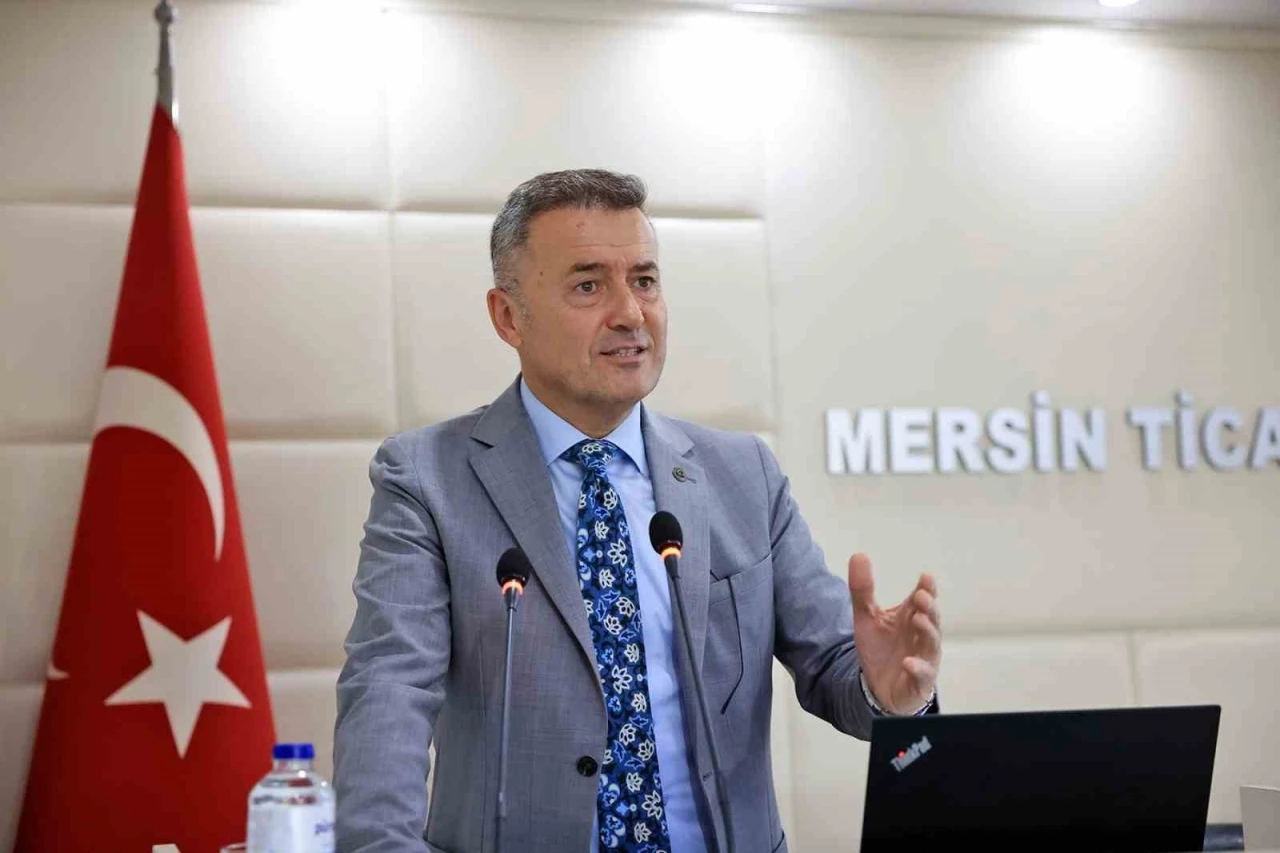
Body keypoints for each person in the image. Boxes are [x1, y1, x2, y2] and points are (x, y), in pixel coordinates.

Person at [334, 169, 942, 853]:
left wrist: (890, 693)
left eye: (645, 281)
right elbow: (387, 696)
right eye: (588, 285)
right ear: (508, 316)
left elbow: (835, 667)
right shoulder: (427, 478)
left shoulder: (743, 474)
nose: (630, 313)